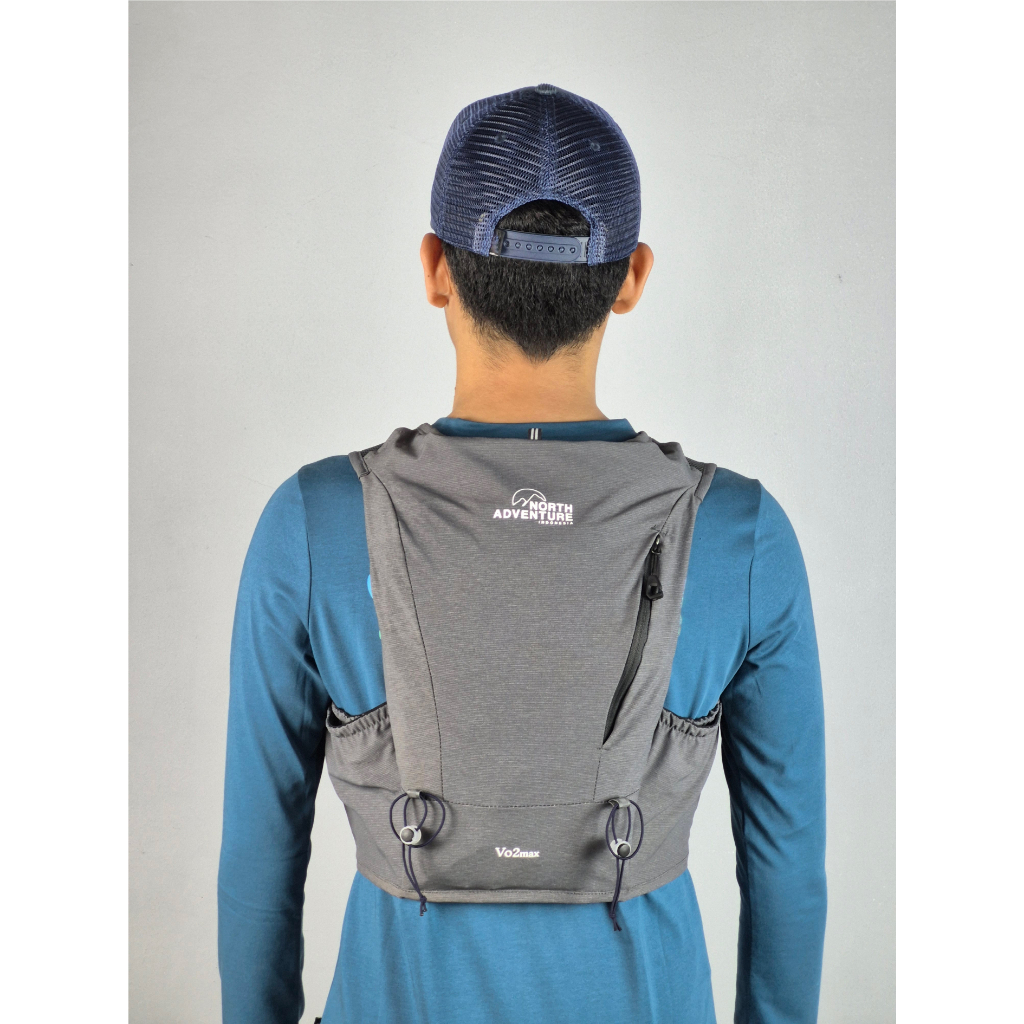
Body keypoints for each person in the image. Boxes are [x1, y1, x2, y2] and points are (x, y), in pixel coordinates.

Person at [218, 84, 826, 1024]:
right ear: (631, 278)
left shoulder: (315, 522)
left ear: (435, 268)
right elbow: (788, 873)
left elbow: (260, 861)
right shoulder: (742, 533)